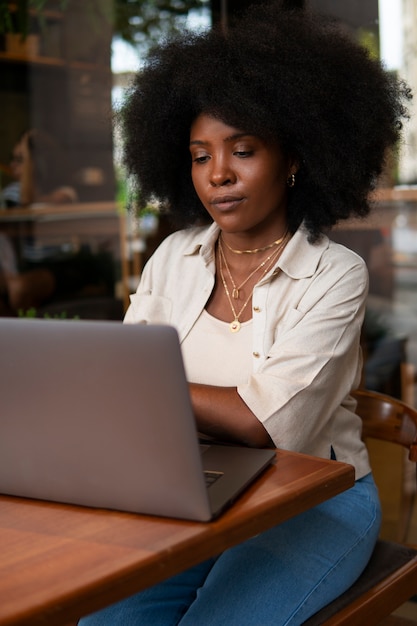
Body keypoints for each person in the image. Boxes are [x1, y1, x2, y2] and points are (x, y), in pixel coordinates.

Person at [79, 2, 411, 624]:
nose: (219, 175)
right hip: (193, 485)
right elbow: (125, 400)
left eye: (244, 149)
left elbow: (268, 423)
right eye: (201, 156)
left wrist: (156, 384)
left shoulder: (336, 273)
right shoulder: (173, 257)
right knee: (104, 620)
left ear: (293, 160)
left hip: (318, 499)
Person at [0, 129, 77, 208]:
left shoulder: (64, 193)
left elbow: (27, 201)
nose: (12, 164)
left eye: (20, 159)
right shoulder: (12, 191)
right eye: (12, 158)